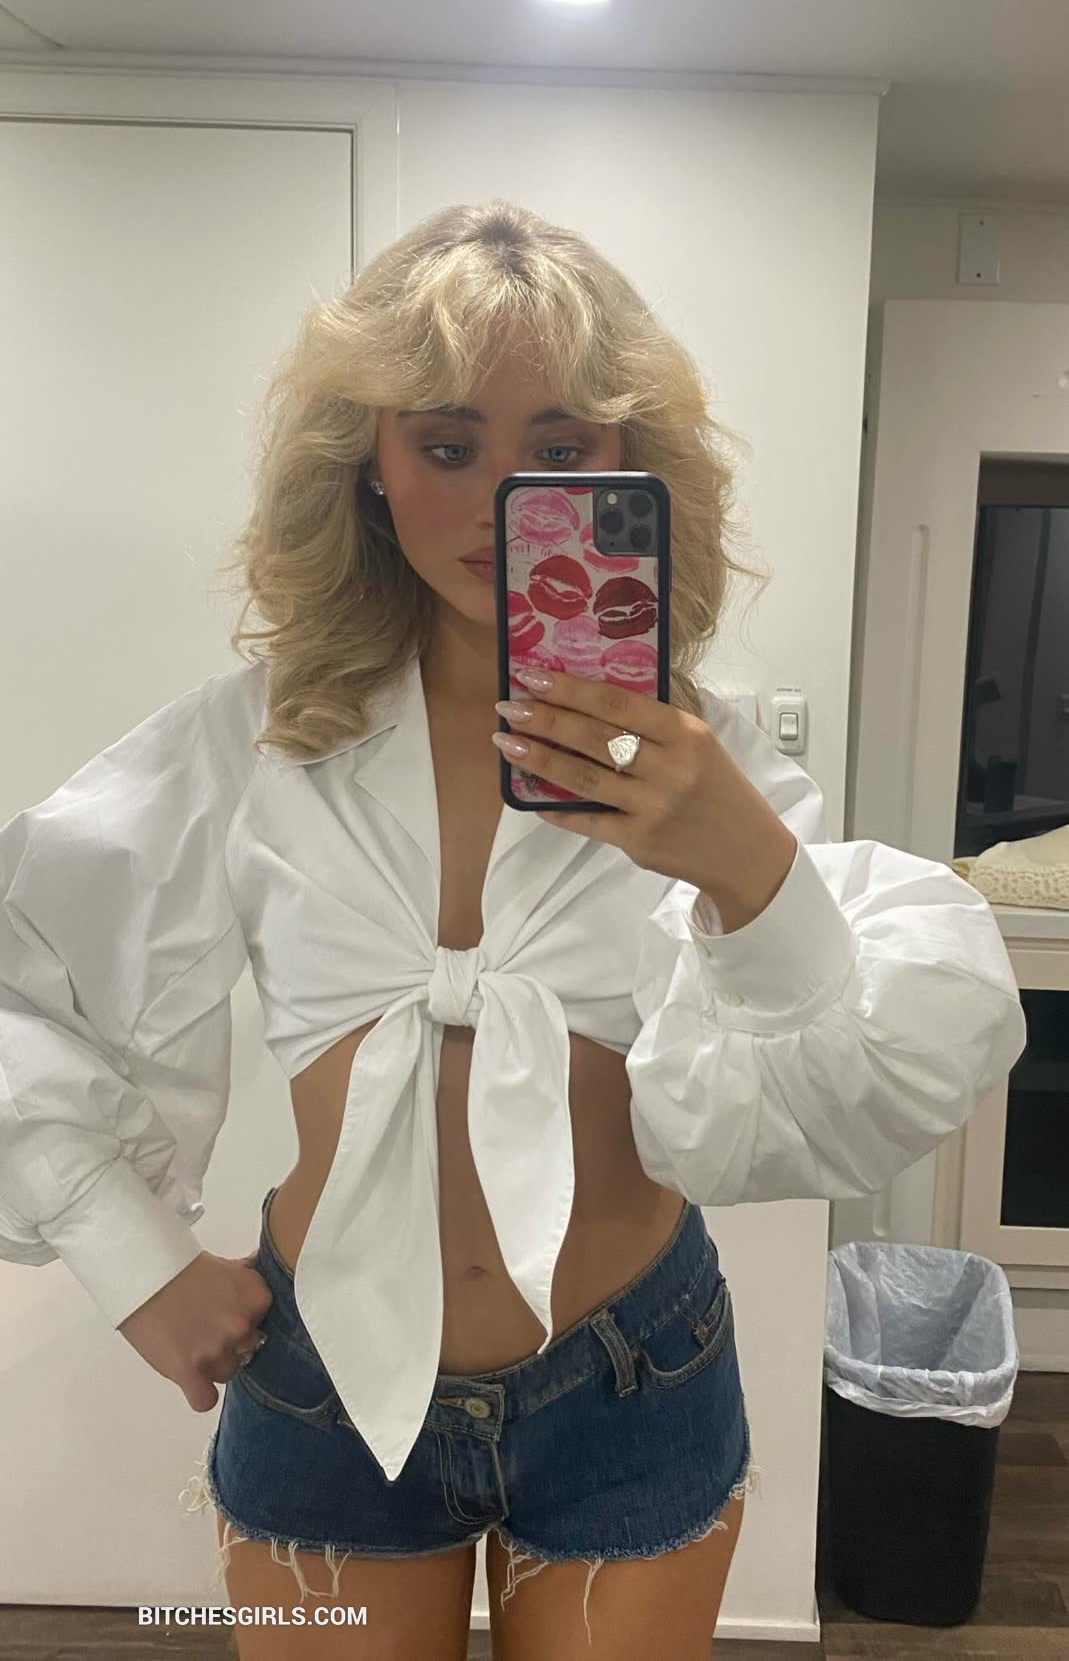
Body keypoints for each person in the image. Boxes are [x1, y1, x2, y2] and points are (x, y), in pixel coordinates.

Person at [0, 201, 1027, 1660]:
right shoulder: (256, 745)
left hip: (633, 1375)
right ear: (368, 464)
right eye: (446, 445)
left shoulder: (706, 761)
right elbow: (21, 978)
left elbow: (859, 1091)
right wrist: (133, 1259)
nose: (499, 498)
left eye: (558, 449)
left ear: (630, 466)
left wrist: (749, 871)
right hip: (323, 1385)